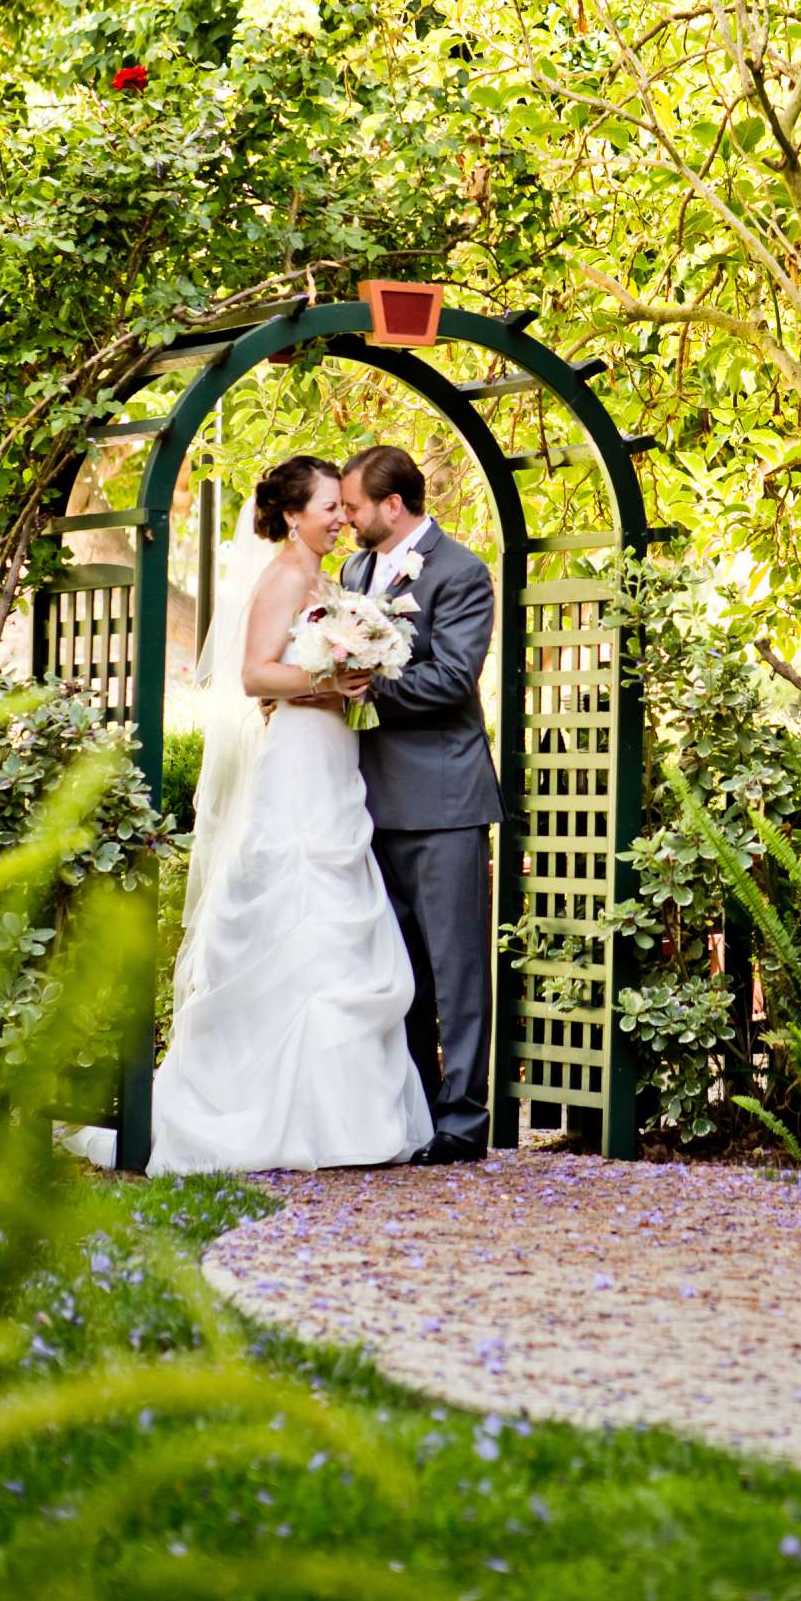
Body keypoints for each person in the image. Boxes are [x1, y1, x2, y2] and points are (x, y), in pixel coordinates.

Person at [71, 457, 433, 1175]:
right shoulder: (284, 576)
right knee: (299, 906)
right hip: (298, 759)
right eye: (330, 505)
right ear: (294, 514)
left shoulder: (328, 578)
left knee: (337, 912)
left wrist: (350, 676)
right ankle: (272, 1111)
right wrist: (330, 678)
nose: (341, 516)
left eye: (343, 505)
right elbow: (253, 674)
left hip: (331, 756)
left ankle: (343, 1116)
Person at [340, 445, 504, 1166]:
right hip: (368, 802)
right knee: (397, 969)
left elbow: (451, 679)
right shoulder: (351, 572)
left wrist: (367, 687)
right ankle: (414, 1114)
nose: (344, 518)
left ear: (394, 506)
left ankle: (464, 1123)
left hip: (444, 800)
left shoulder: (462, 572)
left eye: (353, 507)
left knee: (457, 967)